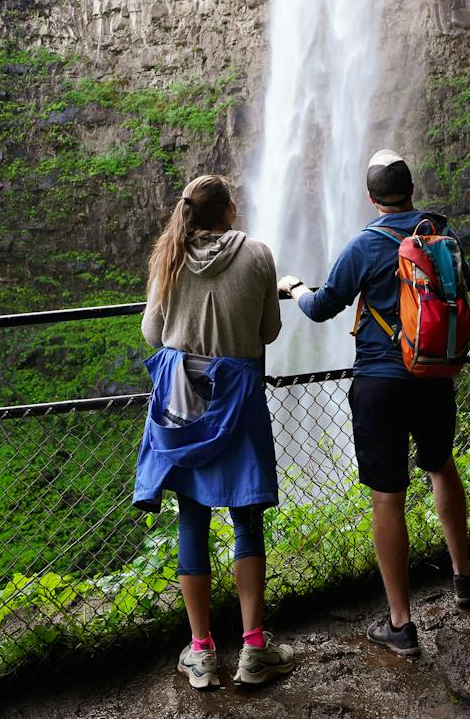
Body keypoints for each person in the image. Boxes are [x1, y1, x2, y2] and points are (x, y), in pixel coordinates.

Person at [277, 150, 470, 658]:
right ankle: (464, 576)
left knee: (387, 497)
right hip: (435, 374)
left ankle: (401, 623)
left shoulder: (364, 245)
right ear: (412, 190)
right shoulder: (442, 236)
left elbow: (323, 305)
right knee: (442, 466)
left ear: (371, 199)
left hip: (379, 383)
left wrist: (293, 286)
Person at [133, 174, 296, 689]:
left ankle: (201, 651)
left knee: (192, 520)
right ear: (227, 210)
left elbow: (151, 333)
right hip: (239, 399)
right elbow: (269, 330)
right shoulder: (259, 256)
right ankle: (253, 648)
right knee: (246, 521)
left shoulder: (171, 259)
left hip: (186, 403)